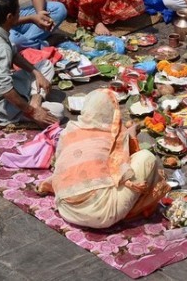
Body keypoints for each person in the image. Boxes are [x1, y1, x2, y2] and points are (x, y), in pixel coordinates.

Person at [36, 88, 169, 229]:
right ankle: (138, 207)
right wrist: (130, 138)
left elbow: (64, 168)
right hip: (102, 216)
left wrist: (48, 184)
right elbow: (124, 164)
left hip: (67, 210)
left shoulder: (69, 131)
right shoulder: (114, 135)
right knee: (146, 158)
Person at [0, 0, 62, 128]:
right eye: (18, 12)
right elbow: (4, 88)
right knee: (58, 111)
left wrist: (36, 73)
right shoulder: (1, 48)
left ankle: (35, 102)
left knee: (45, 65)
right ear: (9, 17)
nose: (20, 15)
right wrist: (33, 112)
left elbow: (14, 54)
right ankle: (29, 111)